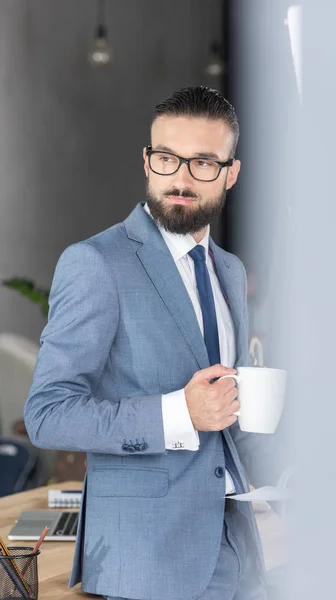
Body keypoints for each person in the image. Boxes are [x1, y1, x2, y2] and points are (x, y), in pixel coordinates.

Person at [25, 86, 276, 600]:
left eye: (204, 162)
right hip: (148, 563)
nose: (180, 178)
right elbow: (48, 414)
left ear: (231, 173)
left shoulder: (229, 271)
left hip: (238, 547)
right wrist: (179, 413)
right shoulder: (96, 264)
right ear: (147, 161)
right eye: (167, 158)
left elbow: (225, 412)